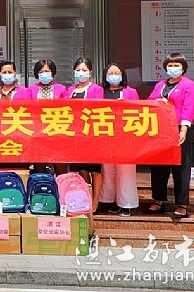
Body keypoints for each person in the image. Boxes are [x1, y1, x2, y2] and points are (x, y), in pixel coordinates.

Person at [146, 53, 194, 219]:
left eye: (176, 65)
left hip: (180, 128)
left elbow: (189, 108)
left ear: (183, 67)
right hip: (161, 129)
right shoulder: (160, 84)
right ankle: (158, 200)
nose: (173, 68)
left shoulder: (189, 85)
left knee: (181, 167)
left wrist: (183, 130)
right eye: (170, 65)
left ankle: (182, 204)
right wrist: (158, 102)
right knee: (159, 165)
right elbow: (150, 101)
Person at [97, 63, 140, 217]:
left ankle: (126, 204)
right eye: (110, 73)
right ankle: (109, 200)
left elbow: (139, 111)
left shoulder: (130, 92)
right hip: (106, 135)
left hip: (125, 136)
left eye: (117, 73)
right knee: (108, 170)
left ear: (122, 75)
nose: (114, 76)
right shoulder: (100, 92)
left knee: (125, 171)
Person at [66, 57, 104, 210]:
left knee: (95, 170)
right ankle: (86, 199)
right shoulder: (70, 90)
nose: (81, 73)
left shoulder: (96, 89)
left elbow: (98, 109)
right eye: (78, 70)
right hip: (76, 135)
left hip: (91, 134)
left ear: (90, 72)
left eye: (84, 70)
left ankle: (95, 202)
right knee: (82, 169)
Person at [29, 58, 68, 174]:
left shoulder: (61, 89)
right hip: (38, 132)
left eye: (46, 71)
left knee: (60, 165)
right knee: (39, 166)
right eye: (41, 72)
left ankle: (62, 184)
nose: (44, 74)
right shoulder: (32, 89)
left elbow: (66, 109)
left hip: (57, 131)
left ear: (53, 72)